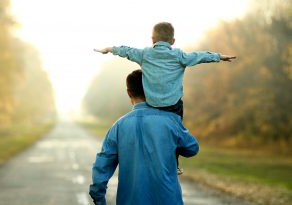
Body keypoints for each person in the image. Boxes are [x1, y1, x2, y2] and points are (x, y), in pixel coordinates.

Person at [94, 21, 236, 174]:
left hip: (151, 104)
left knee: (150, 131)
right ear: (173, 41)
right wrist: (219, 56)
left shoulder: (145, 54)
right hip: (172, 106)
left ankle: (148, 156)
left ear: (153, 39)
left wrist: (109, 49)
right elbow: (200, 56)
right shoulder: (179, 56)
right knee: (174, 132)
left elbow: (126, 51)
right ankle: (173, 164)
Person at [89, 69, 199, 205]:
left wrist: (99, 199)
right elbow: (192, 148)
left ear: (129, 93)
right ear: (153, 89)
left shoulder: (118, 127)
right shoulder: (170, 121)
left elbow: (101, 169)